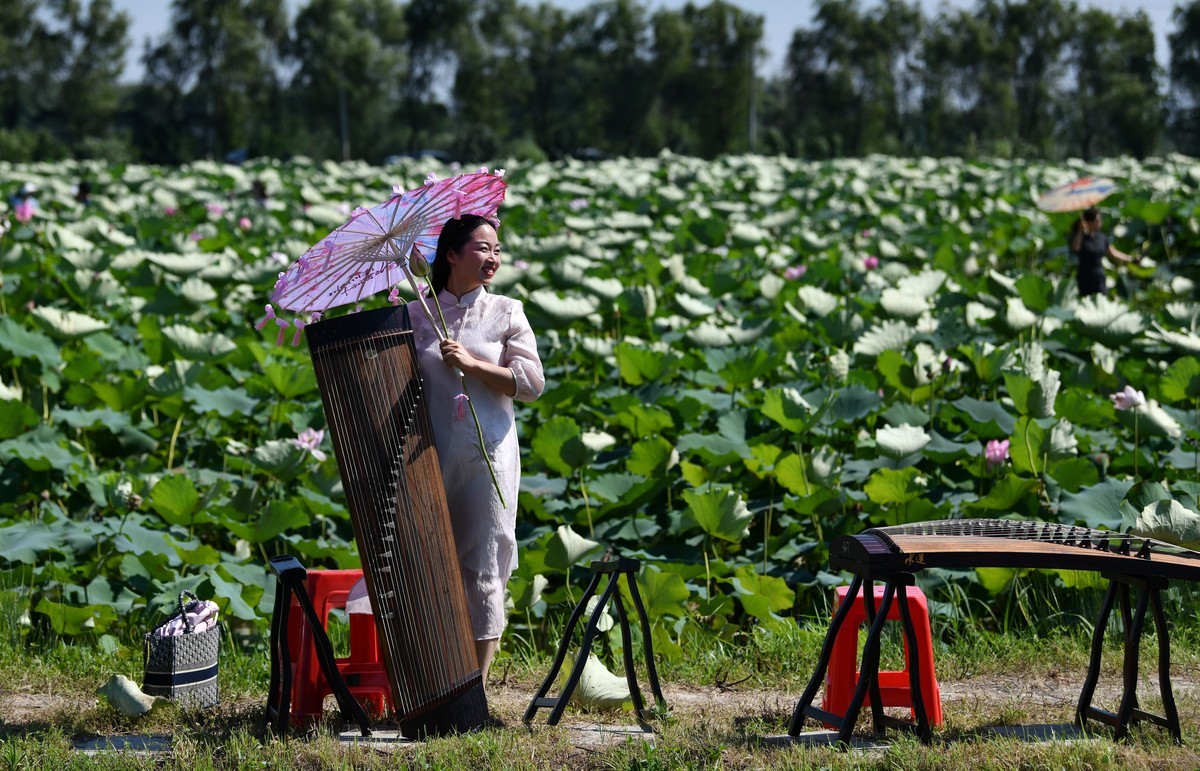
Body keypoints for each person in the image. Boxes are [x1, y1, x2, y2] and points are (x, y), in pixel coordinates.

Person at [407, 214, 544, 683]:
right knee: (430, 562)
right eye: (483, 248)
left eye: (497, 249)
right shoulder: (416, 314)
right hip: (429, 456)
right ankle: (435, 673)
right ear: (450, 254)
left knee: (484, 564)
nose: (493, 258)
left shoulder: (507, 311)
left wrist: (473, 364)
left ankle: (475, 688)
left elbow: (531, 384)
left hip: (489, 455)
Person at [1068, 206, 1137, 296]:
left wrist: (1130, 259)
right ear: (1089, 222)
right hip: (1085, 276)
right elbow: (1075, 248)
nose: (1100, 223)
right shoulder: (1080, 238)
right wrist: (1080, 231)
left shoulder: (1101, 237)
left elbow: (1113, 253)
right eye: (1097, 221)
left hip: (1099, 275)